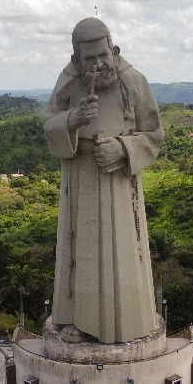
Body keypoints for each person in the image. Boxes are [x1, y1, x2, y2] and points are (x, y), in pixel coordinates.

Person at [43, 17, 164, 344]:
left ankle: (129, 321)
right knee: (80, 250)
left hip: (118, 183)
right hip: (79, 176)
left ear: (112, 49)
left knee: (120, 250)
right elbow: (48, 123)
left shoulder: (133, 81)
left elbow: (154, 134)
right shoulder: (68, 82)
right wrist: (73, 119)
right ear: (76, 59)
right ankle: (77, 320)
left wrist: (123, 149)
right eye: (89, 60)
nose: (97, 65)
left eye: (102, 56)